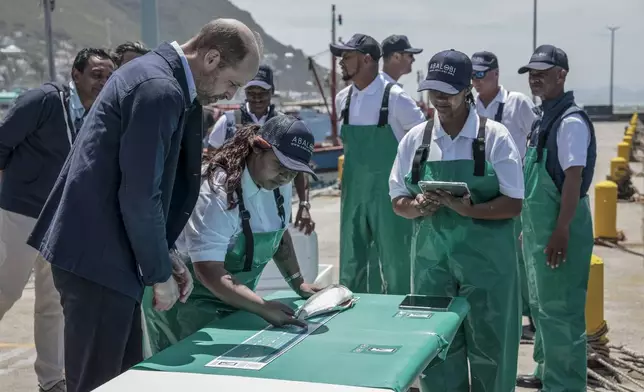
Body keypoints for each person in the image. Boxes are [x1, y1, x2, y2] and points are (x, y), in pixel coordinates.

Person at [26, 19, 263, 392]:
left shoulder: (154, 75)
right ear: (212, 57)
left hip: (102, 254)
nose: (228, 94)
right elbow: (140, 194)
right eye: (231, 83)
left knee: (119, 380)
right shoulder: (160, 88)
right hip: (99, 259)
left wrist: (163, 253)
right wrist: (157, 274)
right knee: (98, 383)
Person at [389, 49, 523, 392]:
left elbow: (514, 203)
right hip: (432, 267)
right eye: (434, 92)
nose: (440, 100)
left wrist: (468, 210)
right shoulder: (414, 141)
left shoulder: (495, 138)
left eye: (448, 92)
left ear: (468, 90)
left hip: (488, 269)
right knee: (436, 355)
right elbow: (398, 202)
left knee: (491, 355)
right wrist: (418, 205)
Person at [144, 116, 323, 353]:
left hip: (237, 301)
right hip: (186, 304)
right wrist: (263, 307)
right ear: (258, 147)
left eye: (294, 171)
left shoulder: (280, 183)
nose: (285, 176)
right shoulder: (217, 191)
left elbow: (278, 237)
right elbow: (208, 269)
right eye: (280, 165)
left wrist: (299, 283)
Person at [0, 47, 114, 392]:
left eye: (110, 76)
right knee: (4, 293)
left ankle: (52, 379)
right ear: (76, 75)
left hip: (61, 223)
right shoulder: (44, 101)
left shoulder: (103, 115)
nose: (104, 82)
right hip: (18, 215)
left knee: (54, 304)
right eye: (97, 74)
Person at [515, 45, 596, 392]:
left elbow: (573, 178)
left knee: (560, 313)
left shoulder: (570, 121)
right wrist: (528, 229)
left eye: (544, 72)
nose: (536, 77)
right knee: (542, 307)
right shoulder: (544, 116)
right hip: (540, 232)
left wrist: (561, 230)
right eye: (532, 72)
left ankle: (564, 385)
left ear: (561, 74)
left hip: (559, 232)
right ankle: (546, 372)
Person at [331, 33, 425, 295]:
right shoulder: (343, 99)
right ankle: (351, 320)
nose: (341, 62)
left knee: (397, 264)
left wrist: (414, 189)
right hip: (353, 196)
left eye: (347, 57)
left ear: (367, 59)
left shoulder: (395, 98)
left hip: (390, 198)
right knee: (352, 263)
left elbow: (424, 142)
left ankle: (401, 324)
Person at [471, 50, 538, 339]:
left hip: (514, 190)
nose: (476, 81)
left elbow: (536, 142)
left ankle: (531, 319)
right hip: (480, 191)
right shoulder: (468, 105)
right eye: (472, 75)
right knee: (486, 255)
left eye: (481, 75)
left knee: (522, 259)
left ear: (496, 74)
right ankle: (495, 313)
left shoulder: (517, 103)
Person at [208, 65, 315, 235]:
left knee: (277, 246)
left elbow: (298, 168)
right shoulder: (227, 122)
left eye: (262, 92)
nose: (257, 98)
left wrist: (304, 204)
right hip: (236, 206)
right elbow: (210, 161)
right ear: (245, 92)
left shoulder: (286, 125)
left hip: (276, 203)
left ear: (272, 91)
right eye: (252, 92)